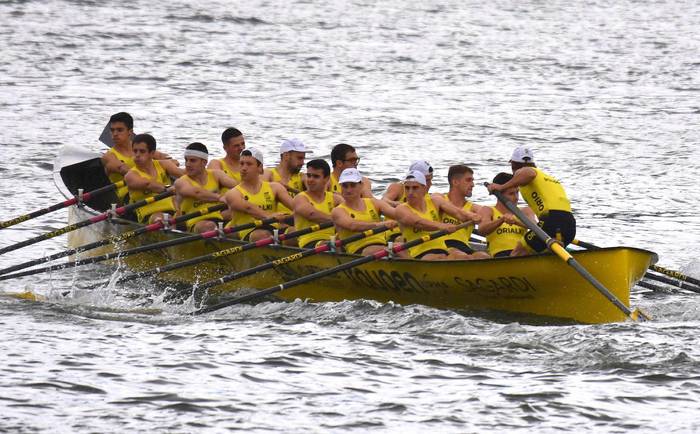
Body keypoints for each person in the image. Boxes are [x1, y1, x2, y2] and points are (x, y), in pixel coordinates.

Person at [487, 146, 576, 256]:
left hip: (551, 220)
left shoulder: (526, 171)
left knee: (518, 252)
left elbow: (528, 173)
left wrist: (501, 187)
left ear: (513, 164)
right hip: (570, 223)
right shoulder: (546, 177)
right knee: (545, 253)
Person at [394, 171, 483, 260]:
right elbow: (419, 223)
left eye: (415, 188)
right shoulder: (401, 209)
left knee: (480, 256)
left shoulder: (435, 201)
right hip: (420, 254)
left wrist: (472, 216)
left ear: (424, 189)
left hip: (443, 250)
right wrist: (443, 226)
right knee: (443, 258)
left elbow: (459, 213)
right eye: (407, 188)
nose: (410, 192)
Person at [222, 148, 294, 242]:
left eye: (249, 164)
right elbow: (249, 208)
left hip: (273, 228)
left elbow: (295, 206)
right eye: (241, 164)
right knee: (262, 235)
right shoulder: (233, 193)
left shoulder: (275, 187)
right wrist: (269, 216)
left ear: (260, 168)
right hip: (248, 232)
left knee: (294, 231)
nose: (243, 168)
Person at [101, 112, 172, 203]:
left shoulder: (141, 149)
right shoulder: (109, 157)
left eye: (119, 130)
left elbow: (171, 161)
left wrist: (171, 165)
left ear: (130, 132)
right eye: (112, 130)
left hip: (155, 189)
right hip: (129, 197)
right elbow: (124, 170)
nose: (115, 134)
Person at [331, 168, 403, 256]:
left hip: (381, 246)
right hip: (358, 251)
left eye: (352, 185)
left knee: (402, 246)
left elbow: (398, 214)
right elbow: (353, 225)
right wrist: (380, 224)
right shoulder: (338, 211)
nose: (348, 190)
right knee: (376, 250)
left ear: (361, 186)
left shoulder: (374, 203)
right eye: (345, 186)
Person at [174, 142, 238, 233]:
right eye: (186, 160)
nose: (187, 164)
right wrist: (219, 197)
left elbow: (238, 187)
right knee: (208, 226)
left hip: (217, 219)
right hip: (192, 223)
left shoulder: (216, 175)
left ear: (204, 162)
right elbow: (197, 193)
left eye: (192, 161)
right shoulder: (181, 182)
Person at [123, 134, 184, 224]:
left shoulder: (164, 165)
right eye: (135, 151)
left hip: (172, 212)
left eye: (142, 151)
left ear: (152, 153)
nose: (137, 155)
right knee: (161, 218)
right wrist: (167, 188)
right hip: (149, 216)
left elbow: (184, 174)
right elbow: (149, 184)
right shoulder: (131, 175)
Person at [479, 172, 536, 257]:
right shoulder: (488, 210)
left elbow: (536, 226)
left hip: (523, 253)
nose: (516, 197)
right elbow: (482, 230)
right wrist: (501, 220)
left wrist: (516, 222)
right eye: (511, 194)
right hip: (500, 255)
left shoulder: (526, 211)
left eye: (517, 192)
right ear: (499, 195)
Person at [440, 165, 490, 259]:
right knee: (461, 256)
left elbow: (492, 213)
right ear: (455, 182)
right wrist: (469, 215)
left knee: (484, 256)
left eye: (472, 180)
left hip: (464, 246)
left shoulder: (474, 208)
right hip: (442, 246)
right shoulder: (439, 200)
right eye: (468, 180)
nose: (473, 184)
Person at [293, 159, 343, 249]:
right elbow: (312, 215)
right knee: (333, 245)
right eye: (309, 175)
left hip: (332, 240)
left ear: (326, 179)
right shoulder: (300, 198)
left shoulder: (335, 199)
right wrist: (343, 221)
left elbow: (351, 211)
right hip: (309, 243)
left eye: (316, 176)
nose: (310, 180)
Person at [262, 138, 310, 214]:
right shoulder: (268, 174)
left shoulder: (303, 177)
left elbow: (315, 198)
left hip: (297, 220)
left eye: (303, 159)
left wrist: (290, 189)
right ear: (286, 155)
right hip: (276, 221)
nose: (302, 163)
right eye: (299, 158)